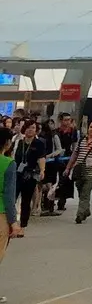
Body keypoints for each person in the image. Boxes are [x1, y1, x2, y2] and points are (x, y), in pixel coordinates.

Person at [65, 118, 92, 224]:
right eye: (90, 127)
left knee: (85, 193)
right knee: (80, 191)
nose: (91, 129)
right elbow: (75, 154)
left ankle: (79, 214)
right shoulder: (82, 140)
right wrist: (68, 167)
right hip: (79, 170)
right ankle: (86, 210)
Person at [13, 121, 44, 229]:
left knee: (26, 201)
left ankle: (22, 226)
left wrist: (42, 170)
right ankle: (11, 222)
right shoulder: (18, 142)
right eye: (28, 127)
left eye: (33, 127)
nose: (30, 129)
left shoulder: (38, 143)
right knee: (12, 198)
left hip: (30, 175)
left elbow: (41, 158)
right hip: (16, 173)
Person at [1, 127, 17, 298]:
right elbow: (8, 195)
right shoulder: (8, 164)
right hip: (1, 214)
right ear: (7, 143)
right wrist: (14, 222)